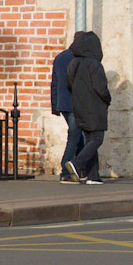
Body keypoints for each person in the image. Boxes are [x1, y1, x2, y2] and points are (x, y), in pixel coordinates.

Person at [63, 31, 111, 185]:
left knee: (90, 139)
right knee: (97, 138)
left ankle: (93, 175)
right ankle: (77, 163)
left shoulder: (74, 63)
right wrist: (107, 99)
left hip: (79, 105)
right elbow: (101, 88)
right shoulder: (94, 64)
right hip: (94, 106)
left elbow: (69, 84)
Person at [50, 34, 85, 182]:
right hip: (75, 103)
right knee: (74, 136)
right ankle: (66, 170)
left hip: (63, 103)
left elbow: (54, 83)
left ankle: (81, 168)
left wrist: (55, 104)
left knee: (79, 136)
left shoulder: (60, 58)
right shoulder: (80, 59)